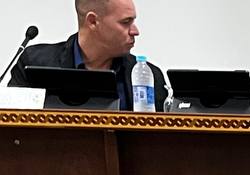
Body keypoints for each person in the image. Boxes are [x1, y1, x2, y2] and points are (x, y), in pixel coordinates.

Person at [8, 0, 168, 111]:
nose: (135, 31)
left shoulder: (149, 76)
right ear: (92, 21)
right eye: (126, 22)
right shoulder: (34, 64)